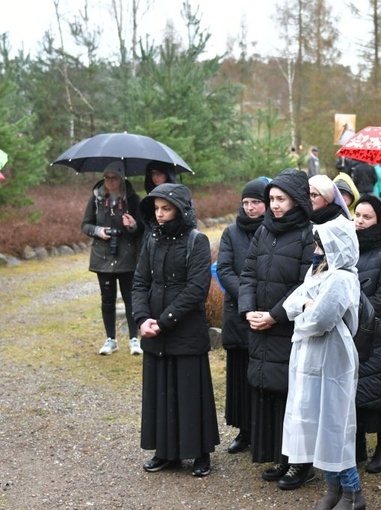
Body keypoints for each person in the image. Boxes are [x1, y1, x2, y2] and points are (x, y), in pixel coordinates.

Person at [132, 183, 220, 477]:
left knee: (190, 392)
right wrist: (143, 317)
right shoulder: (151, 240)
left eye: (166, 208)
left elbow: (197, 289)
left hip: (185, 330)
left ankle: (200, 453)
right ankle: (166, 452)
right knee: (161, 392)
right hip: (155, 331)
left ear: (180, 209)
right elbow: (140, 281)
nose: (159, 214)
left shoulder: (197, 241)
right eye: (156, 208)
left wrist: (165, 320)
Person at [238, 168, 315, 490]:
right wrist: (248, 311)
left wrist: (274, 315)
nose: (275, 205)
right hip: (261, 325)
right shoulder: (264, 231)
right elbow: (248, 274)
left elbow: (305, 285)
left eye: (281, 199)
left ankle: (301, 464)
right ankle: (281, 456)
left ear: (297, 201)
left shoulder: (308, 234)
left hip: (288, 328)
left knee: (294, 398)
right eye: (272, 199)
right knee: (270, 394)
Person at [281, 216, 365, 510]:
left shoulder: (342, 278)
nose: (315, 248)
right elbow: (292, 304)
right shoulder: (316, 272)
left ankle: (353, 494)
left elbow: (321, 320)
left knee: (334, 425)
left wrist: (305, 313)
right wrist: (306, 306)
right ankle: (332, 488)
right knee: (315, 424)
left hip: (333, 357)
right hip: (308, 357)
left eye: (320, 243)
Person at [216, 179, 268, 455]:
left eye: (255, 202)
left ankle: (263, 429)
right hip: (239, 313)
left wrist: (263, 302)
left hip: (266, 313)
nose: (249, 207)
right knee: (239, 374)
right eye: (246, 202)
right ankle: (243, 429)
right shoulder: (231, 233)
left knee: (262, 373)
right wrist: (247, 301)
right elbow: (224, 269)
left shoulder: (273, 230)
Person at [352, 195, 381, 474]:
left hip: (379, 331)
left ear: (378, 220)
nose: (360, 221)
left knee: (380, 392)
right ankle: (357, 445)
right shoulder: (348, 245)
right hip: (352, 330)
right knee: (353, 390)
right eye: (357, 215)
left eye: (366, 217)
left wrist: (354, 308)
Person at [80, 161, 143, 356]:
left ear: (121, 178)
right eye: (106, 177)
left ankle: (134, 338)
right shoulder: (96, 199)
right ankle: (111, 339)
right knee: (107, 299)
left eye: (114, 177)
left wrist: (132, 225)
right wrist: (99, 231)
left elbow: (141, 229)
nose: (109, 181)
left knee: (130, 298)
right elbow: (85, 225)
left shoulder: (134, 200)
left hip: (128, 256)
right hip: (103, 256)